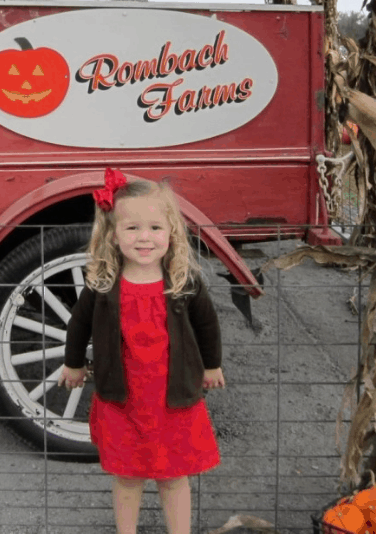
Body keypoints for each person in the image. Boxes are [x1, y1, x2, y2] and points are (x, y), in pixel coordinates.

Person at [57, 167, 225, 534]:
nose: (144, 238)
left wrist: (211, 367)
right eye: (132, 228)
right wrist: (72, 365)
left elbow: (208, 326)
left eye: (154, 228)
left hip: (172, 401)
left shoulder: (183, 282)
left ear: (171, 233)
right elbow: (78, 325)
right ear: (113, 235)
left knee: (174, 477)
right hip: (124, 401)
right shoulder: (102, 283)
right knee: (127, 476)